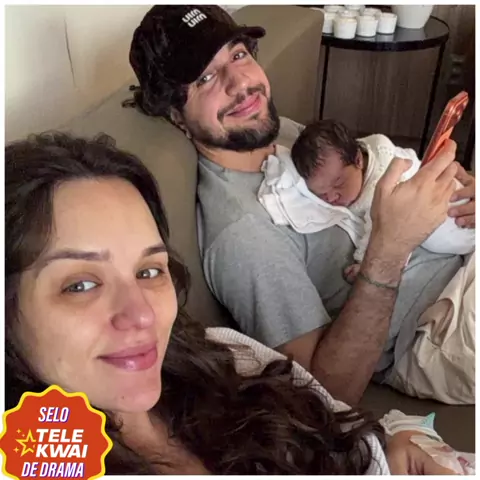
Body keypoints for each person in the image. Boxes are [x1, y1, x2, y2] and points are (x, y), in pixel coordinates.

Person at [5, 131, 466, 474]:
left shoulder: (222, 355)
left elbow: (334, 420)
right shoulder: (36, 452)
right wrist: (390, 248)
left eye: (149, 271)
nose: (142, 314)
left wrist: (386, 448)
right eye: (81, 285)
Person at [126, 5, 476, 405]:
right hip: (440, 329)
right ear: (176, 115)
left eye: (238, 54)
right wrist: (391, 247)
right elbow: (325, 392)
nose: (241, 83)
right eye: (205, 78)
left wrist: (457, 191)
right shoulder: (244, 233)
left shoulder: (278, 134)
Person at [285, 120, 475, 283]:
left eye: (339, 184)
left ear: (358, 160)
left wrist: (362, 263)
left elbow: (381, 230)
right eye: (322, 194)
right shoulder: (365, 150)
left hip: (456, 219)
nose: (333, 198)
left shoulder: (379, 185)